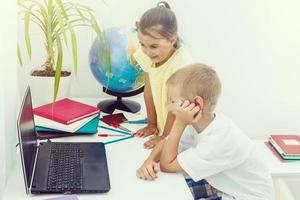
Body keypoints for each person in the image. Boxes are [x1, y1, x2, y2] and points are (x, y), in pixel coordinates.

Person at [136, 63, 274, 200]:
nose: (169, 108)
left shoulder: (218, 141)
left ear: (196, 104)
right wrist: (149, 161)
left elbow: (167, 165)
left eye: (173, 101)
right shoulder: (198, 124)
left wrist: (179, 123)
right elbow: (166, 143)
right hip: (222, 187)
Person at [133, 1, 193, 149]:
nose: (147, 51)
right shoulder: (148, 55)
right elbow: (148, 92)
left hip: (181, 135)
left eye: (154, 46)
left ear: (172, 40)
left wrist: (165, 137)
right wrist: (152, 124)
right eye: (142, 44)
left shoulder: (180, 65)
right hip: (164, 127)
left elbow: (176, 108)